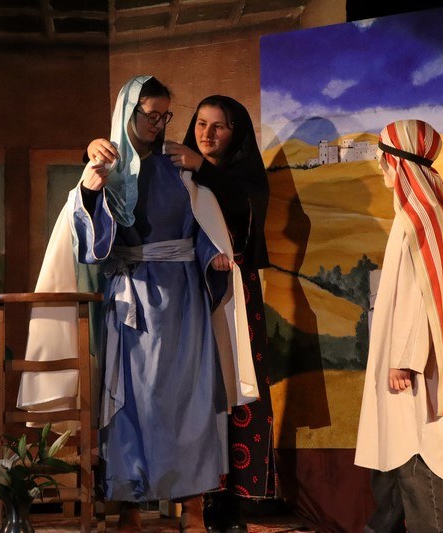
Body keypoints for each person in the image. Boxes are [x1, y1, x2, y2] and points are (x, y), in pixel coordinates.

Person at [19, 75, 260, 533]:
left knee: (191, 400)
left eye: (165, 116)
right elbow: (88, 242)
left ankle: (192, 507)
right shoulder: (107, 167)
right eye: (151, 115)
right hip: (131, 302)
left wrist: (212, 254)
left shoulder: (177, 164)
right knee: (131, 404)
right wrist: (91, 188)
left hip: (184, 300)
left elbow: (201, 219)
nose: (159, 124)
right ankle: (129, 506)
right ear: (129, 112)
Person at [354, 120, 443, 533]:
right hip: (407, 358)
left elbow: (418, 292)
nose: (380, 168)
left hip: (413, 366)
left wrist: (405, 359)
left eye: (382, 159)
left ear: (396, 162)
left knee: (415, 453)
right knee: (395, 455)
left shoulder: (419, 217)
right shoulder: (422, 213)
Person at [163, 96, 277, 532]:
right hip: (188, 291)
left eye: (219, 126)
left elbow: (244, 212)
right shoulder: (177, 171)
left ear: (236, 133)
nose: (206, 134)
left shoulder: (243, 178)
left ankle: (230, 504)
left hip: (233, 294)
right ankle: (192, 497)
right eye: (201, 123)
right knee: (195, 390)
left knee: (234, 389)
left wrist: (203, 169)